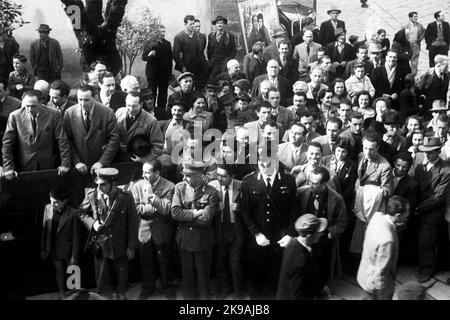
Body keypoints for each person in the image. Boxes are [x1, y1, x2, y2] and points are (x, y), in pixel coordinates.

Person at [239, 148, 298, 299]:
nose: (264, 168)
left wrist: (290, 233)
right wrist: (256, 234)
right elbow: (245, 210)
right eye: (261, 164)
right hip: (258, 237)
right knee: (256, 275)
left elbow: (294, 209)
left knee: (276, 275)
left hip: (280, 237)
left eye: (268, 164)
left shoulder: (288, 181)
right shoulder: (248, 182)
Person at [79, 168, 139, 300]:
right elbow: (81, 213)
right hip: (101, 247)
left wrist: (131, 246)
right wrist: (93, 224)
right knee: (103, 285)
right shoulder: (92, 195)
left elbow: (133, 223)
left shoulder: (126, 197)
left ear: (114, 183)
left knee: (121, 284)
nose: (100, 187)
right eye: (98, 184)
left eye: (103, 184)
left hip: (120, 246)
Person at [171, 161, 219, 300]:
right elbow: (175, 213)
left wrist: (185, 216)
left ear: (199, 176)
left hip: (202, 241)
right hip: (185, 241)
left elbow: (207, 219)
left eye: (188, 176)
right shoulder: (179, 188)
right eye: (184, 175)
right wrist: (195, 213)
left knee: (203, 277)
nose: (184, 178)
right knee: (187, 277)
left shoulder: (211, 192)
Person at [131, 160, 176, 299]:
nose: (143, 175)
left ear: (156, 173)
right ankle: (148, 288)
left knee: (165, 261)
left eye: (147, 172)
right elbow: (136, 208)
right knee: (146, 261)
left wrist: (152, 196)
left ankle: (167, 288)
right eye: (143, 171)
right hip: (144, 229)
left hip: (162, 229)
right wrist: (153, 208)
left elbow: (166, 209)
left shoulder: (169, 186)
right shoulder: (137, 186)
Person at [2, 90, 71, 178]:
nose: (29, 109)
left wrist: (65, 164)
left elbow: (62, 140)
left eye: (33, 106)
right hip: (25, 165)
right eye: (27, 106)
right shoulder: (15, 116)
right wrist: (8, 168)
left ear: (41, 102)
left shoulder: (53, 114)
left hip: (48, 164)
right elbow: (7, 143)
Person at [357, 195, 409, 300]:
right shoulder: (387, 239)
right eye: (407, 212)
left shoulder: (377, 217)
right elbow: (381, 270)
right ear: (398, 215)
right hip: (374, 285)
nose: (408, 215)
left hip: (363, 274)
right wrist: (384, 293)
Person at [414, 136, 450, 283]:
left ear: (438, 151)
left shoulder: (446, 170)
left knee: (427, 239)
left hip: (433, 210)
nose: (427, 155)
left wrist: (418, 207)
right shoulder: (420, 166)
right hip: (419, 207)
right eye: (425, 152)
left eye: (430, 152)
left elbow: (438, 197)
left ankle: (427, 269)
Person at [63, 85, 120, 175]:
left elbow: (114, 140)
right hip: (79, 168)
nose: (82, 103)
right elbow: (67, 141)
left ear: (94, 97)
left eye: (86, 100)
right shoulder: (69, 113)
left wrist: (102, 162)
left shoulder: (107, 113)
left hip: (100, 166)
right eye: (80, 99)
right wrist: (76, 162)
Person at [208, 164, 245, 299]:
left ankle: (238, 293)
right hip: (220, 228)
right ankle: (224, 290)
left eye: (223, 176)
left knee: (235, 263)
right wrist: (215, 208)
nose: (220, 178)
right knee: (221, 261)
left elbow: (251, 205)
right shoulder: (213, 186)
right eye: (218, 175)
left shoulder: (241, 185)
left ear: (232, 176)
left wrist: (240, 207)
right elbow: (206, 205)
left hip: (236, 229)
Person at [40, 187, 80, 300]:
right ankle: (62, 293)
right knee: (59, 271)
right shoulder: (47, 208)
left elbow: (76, 236)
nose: (53, 204)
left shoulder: (73, 213)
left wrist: (74, 256)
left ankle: (75, 295)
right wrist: (43, 248)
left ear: (65, 201)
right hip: (52, 248)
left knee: (73, 273)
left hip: (67, 250)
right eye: (51, 201)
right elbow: (44, 230)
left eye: (56, 202)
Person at [276, 214, 327, 300]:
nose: (321, 234)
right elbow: (297, 294)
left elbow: (311, 273)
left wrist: (321, 286)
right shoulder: (301, 262)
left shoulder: (293, 242)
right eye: (318, 232)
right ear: (309, 236)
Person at [115, 91, 164, 163]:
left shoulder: (151, 121)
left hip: (136, 161)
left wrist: (144, 160)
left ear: (141, 104)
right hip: (118, 158)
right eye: (128, 105)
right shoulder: (119, 112)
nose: (131, 109)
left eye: (134, 106)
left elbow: (158, 147)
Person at [173, 15, 211, 90]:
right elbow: (175, 55)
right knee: (187, 86)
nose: (193, 26)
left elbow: (199, 52)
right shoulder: (179, 37)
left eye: (193, 24)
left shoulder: (196, 36)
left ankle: (198, 91)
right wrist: (182, 67)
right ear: (185, 24)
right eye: (191, 24)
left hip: (196, 64)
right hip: (186, 65)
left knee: (208, 67)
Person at [142, 25, 172, 111]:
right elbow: (144, 57)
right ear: (156, 33)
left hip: (163, 75)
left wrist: (169, 75)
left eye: (164, 32)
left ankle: (161, 112)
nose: (163, 34)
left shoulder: (167, 44)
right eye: (160, 32)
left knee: (163, 95)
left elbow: (170, 61)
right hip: (152, 74)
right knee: (152, 94)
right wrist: (150, 55)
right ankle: (151, 111)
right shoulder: (149, 43)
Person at [207, 16, 237, 80]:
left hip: (225, 63)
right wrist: (211, 60)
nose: (219, 25)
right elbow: (209, 51)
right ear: (215, 25)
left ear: (224, 24)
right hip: (214, 63)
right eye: (217, 23)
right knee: (213, 79)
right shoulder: (211, 36)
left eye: (221, 23)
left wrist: (228, 62)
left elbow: (233, 51)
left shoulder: (229, 36)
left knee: (224, 79)